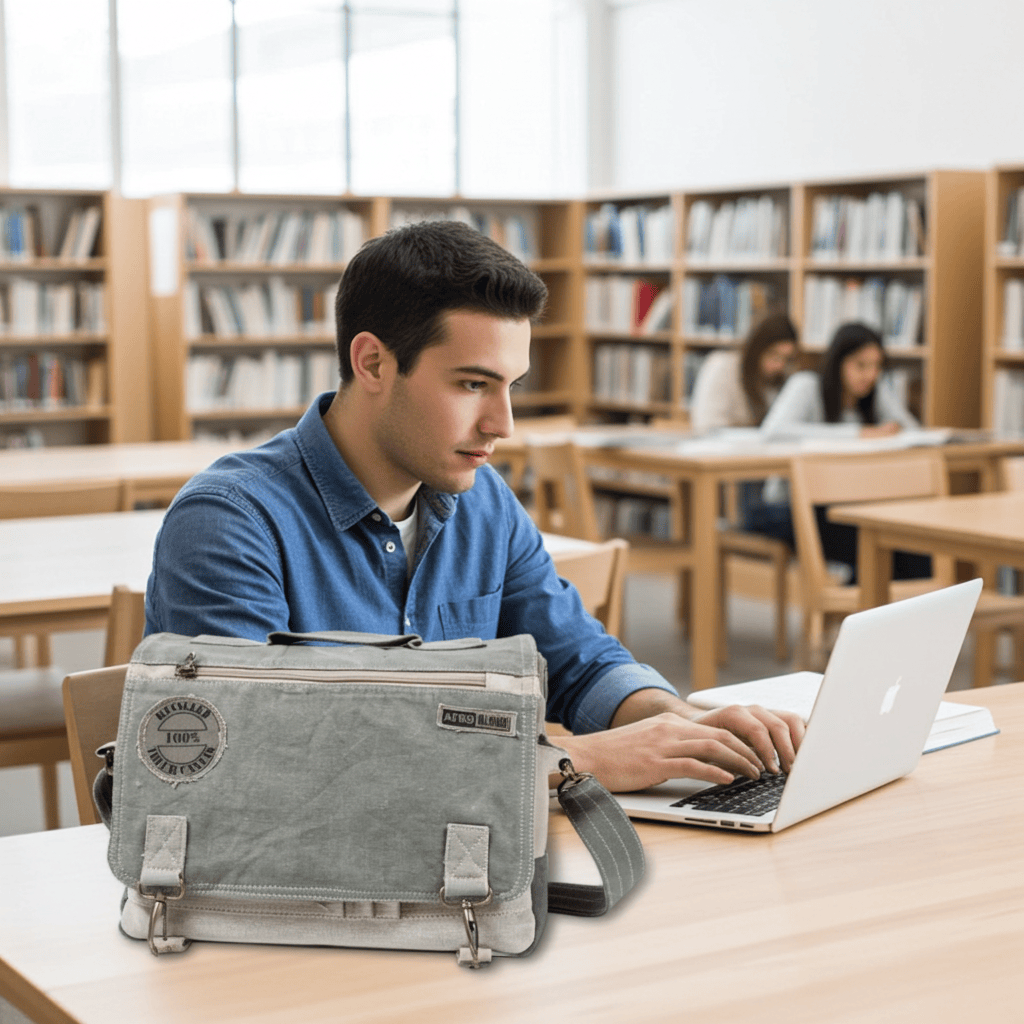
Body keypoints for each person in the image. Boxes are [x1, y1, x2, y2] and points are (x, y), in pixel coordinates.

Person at [145, 220, 803, 794]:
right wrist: (581, 759)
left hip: (465, 877)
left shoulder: (482, 499)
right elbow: (267, 755)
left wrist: (680, 723)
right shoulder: (228, 522)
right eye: (471, 384)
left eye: (511, 387)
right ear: (373, 362)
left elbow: (575, 659)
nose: (503, 423)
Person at [754, 321, 928, 580]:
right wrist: (858, 434)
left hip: (851, 503)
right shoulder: (807, 385)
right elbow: (772, 433)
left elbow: (911, 430)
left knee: (912, 543)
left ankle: (875, 612)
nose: (870, 375)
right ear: (838, 362)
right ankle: (859, 611)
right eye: (860, 365)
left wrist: (894, 428)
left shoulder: (873, 393)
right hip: (792, 506)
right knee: (876, 542)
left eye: (877, 367)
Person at [689, 311, 799, 435]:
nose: (779, 365)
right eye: (773, 354)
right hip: (723, 450)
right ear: (757, 349)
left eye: (786, 359)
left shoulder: (778, 380)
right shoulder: (723, 367)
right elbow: (707, 427)